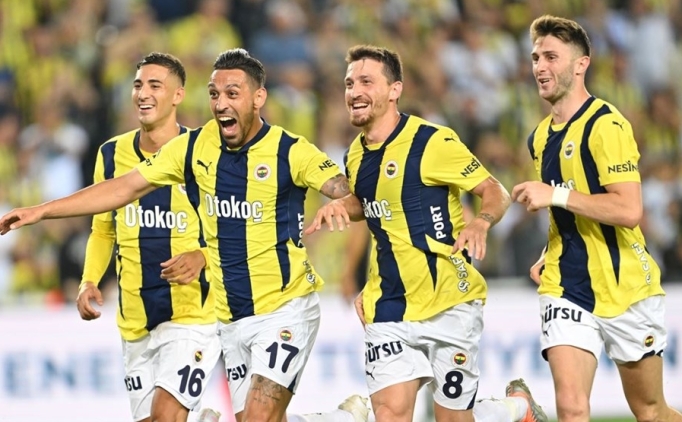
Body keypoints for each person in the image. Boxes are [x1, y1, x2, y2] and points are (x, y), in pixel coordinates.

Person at [0, 48, 368, 422]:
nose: (221, 104)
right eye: (214, 94)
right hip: (227, 318)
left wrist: (343, 204)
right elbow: (123, 189)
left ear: (259, 98)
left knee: (253, 417)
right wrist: (41, 211)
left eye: (232, 93)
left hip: (281, 308)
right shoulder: (194, 148)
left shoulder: (291, 151)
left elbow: (353, 194)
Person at [305, 45, 547, 422]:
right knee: (390, 414)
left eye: (366, 82)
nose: (354, 92)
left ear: (394, 90)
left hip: (449, 299)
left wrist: (481, 222)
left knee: (452, 419)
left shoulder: (432, 142)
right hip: (389, 303)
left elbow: (494, 190)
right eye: (349, 83)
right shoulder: (355, 154)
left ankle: (517, 408)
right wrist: (342, 206)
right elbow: (371, 203)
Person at [510, 15, 682, 422]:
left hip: (625, 284)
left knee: (651, 411)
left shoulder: (607, 125)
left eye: (551, 57)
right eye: (535, 58)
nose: (540, 67)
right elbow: (572, 203)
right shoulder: (539, 137)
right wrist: (548, 249)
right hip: (566, 283)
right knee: (572, 407)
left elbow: (628, 210)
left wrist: (554, 195)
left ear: (581, 64)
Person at [76, 52, 222, 422]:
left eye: (155, 85)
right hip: (135, 319)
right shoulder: (111, 154)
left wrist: (203, 256)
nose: (143, 93)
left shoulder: (204, 152)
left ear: (178, 95)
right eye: (138, 85)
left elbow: (238, 227)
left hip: (192, 315)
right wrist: (89, 279)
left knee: (166, 417)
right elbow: (103, 229)